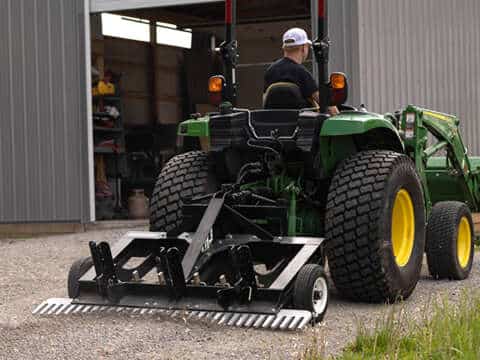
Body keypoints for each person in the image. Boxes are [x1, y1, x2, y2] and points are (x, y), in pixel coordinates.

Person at [264, 28, 339, 115]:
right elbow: (324, 102)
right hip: (302, 126)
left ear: (284, 48)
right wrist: (339, 119)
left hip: (273, 124)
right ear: (304, 48)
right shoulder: (301, 73)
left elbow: (265, 101)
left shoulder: (270, 71)